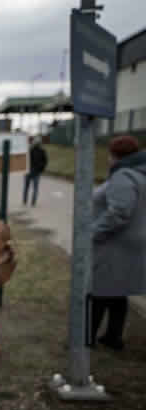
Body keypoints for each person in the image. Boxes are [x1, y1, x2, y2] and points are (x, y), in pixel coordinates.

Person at [90, 135, 146, 351]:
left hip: (113, 244)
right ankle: (113, 336)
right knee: (117, 292)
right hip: (128, 243)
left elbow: (120, 212)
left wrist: (93, 233)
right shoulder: (139, 174)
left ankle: (88, 337)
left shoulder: (123, 176)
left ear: (114, 155)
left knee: (97, 291)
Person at [23, 136, 48, 206]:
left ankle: (26, 201)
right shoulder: (40, 150)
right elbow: (45, 161)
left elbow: (45, 161)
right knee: (34, 188)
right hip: (35, 172)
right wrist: (41, 169)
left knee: (27, 187)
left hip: (31, 171)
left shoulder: (30, 150)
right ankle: (31, 202)